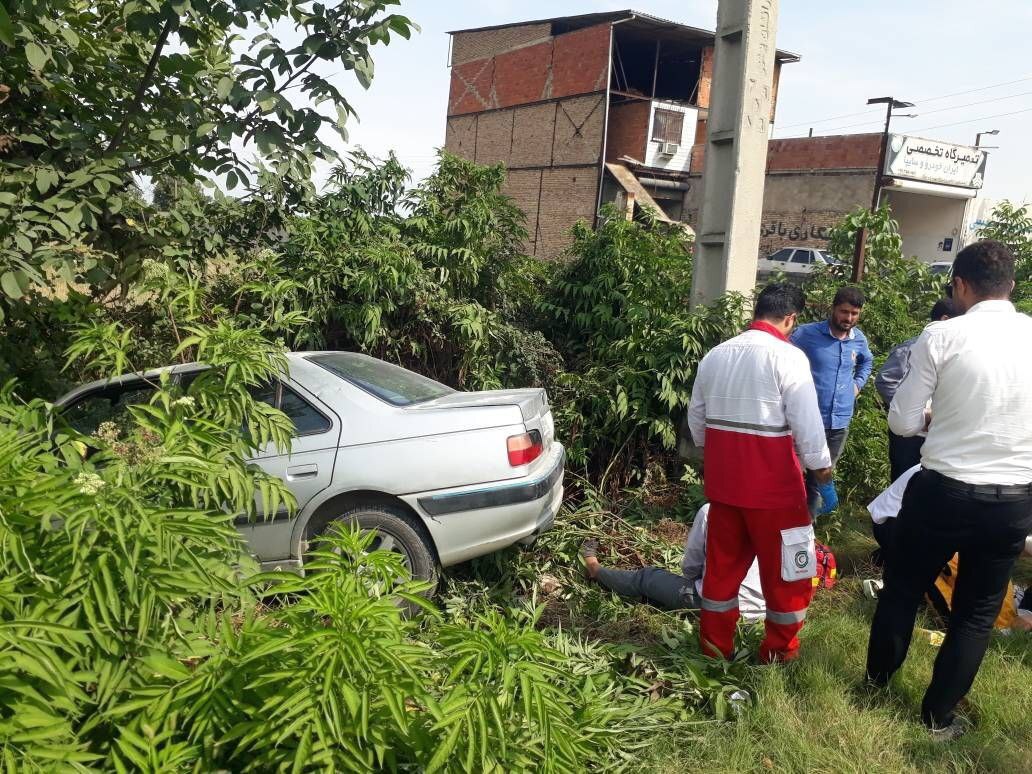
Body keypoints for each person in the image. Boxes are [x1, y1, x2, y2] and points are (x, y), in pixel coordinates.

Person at [865, 240, 1032, 741]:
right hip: (1012, 499)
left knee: (903, 587)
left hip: (943, 490)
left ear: (960, 285)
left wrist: (935, 418)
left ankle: (876, 686)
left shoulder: (942, 336)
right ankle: (938, 716)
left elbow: (902, 420)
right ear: (1013, 286)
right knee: (977, 614)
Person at [686, 283, 832, 663]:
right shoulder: (788, 357)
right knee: (789, 575)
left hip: (724, 489)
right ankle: (779, 654)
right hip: (776, 495)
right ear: (791, 319)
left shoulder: (715, 356)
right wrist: (822, 472)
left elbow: (697, 422)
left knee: (721, 572)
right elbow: (808, 426)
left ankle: (715, 649)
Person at [866, 464, 1019, 631]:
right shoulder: (972, 474)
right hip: (895, 522)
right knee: (949, 572)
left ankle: (893, 562)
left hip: (923, 520)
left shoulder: (996, 472)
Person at [581, 503, 766, 618]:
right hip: (763, 610)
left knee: (646, 577)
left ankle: (594, 568)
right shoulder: (772, 515)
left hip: (716, 606)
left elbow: (690, 568)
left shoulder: (711, 511)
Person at [790, 287, 874, 516]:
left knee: (822, 473)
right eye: (844, 311)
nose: (848, 318)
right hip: (808, 418)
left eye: (854, 313)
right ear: (833, 308)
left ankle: (809, 525)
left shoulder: (859, 340)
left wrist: (857, 385)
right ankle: (789, 521)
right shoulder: (806, 334)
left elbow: (867, 362)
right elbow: (783, 357)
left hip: (839, 421)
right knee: (794, 472)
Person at [875, 298, 957, 481]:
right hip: (908, 435)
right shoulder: (911, 348)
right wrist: (914, 412)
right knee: (903, 480)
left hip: (935, 432)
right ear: (945, 320)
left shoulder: (954, 353)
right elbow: (885, 381)